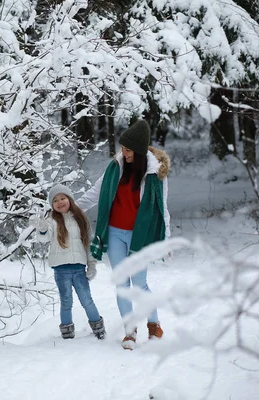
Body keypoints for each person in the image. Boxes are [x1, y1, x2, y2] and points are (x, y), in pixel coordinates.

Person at [77, 119, 170, 350]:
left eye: (127, 150)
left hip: (140, 236)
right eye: (123, 148)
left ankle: (154, 324)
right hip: (115, 233)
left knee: (139, 283)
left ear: (138, 151)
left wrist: (165, 240)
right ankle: (129, 332)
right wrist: (73, 207)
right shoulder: (115, 168)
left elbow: (162, 208)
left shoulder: (154, 174)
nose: (123, 153)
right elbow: (94, 193)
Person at [31, 184, 106, 340]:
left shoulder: (80, 218)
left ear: (69, 199)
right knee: (66, 301)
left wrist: (92, 265)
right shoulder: (51, 220)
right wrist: (42, 228)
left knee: (87, 300)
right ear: (52, 205)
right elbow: (44, 239)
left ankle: (98, 327)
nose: (60, 202)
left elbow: (88, 243)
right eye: (56, 200)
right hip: (61, 270)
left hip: (79, 268)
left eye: (63, 198)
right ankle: (67, 332)